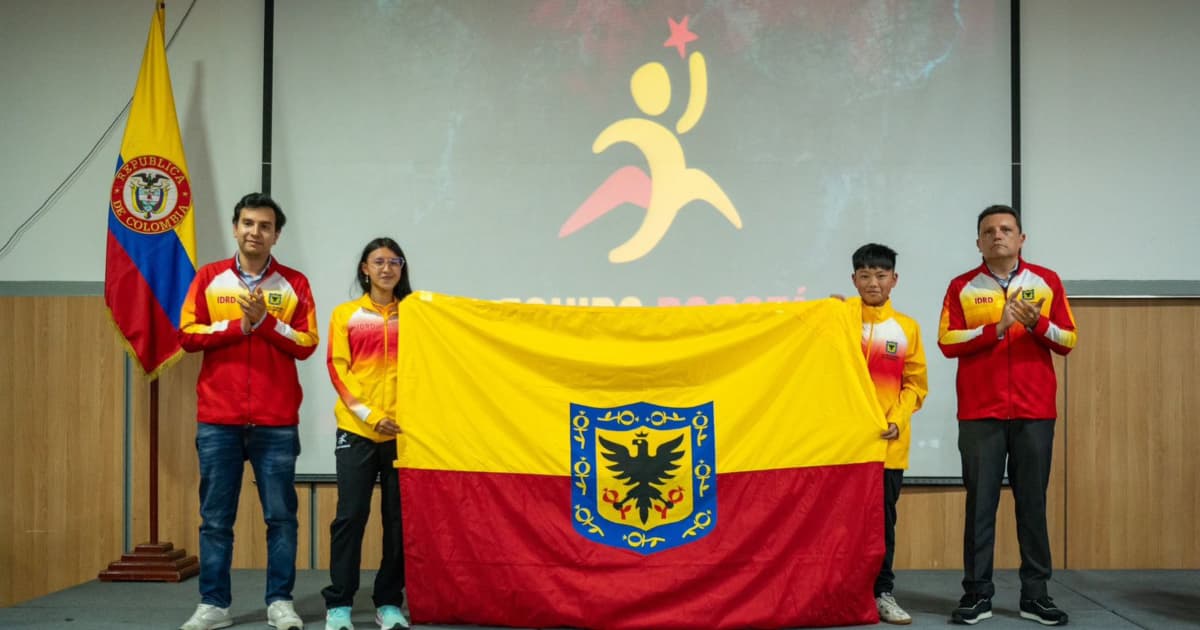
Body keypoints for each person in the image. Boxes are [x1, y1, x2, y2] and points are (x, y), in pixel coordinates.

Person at [178, 193, 319, 630]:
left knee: (281, 518)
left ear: (276, 235)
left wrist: (268, 323)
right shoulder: (208, 278)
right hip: (218, 421)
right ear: (235, 228)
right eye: (247, 223)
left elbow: (307, 343)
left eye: (264, 226)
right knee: (216, 519)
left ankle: (280, 601)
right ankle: (214, 605)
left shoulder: (294, 284)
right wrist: (237, 326)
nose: (255, 232)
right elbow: (187, 333)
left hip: (275, 424)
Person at [939, 205, 1076, 626]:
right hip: (981, 413)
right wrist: (994, 329)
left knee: (1032, 504)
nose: (997, 236)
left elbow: (1068, 338)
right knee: (980, 505)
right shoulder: (962, 286)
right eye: (988, 231)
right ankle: (977, 595)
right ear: (978, 242)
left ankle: (1035, 596)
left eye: (1006, 229)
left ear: (1021, 238)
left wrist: (1037, 324)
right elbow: (947, 340)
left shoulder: (1046, 281)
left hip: (1035, 412)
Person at [322, 238, 412, 630]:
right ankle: (339, 603)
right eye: (379, 262)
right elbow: (337, 369)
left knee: (397, 521)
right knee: (351, 516)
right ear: (364, 268)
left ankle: (389, 602)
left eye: (395, 262)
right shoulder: (346, 314)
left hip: (404, 433)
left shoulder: (415, 315)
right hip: (357, 430)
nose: (387, 268)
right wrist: (371, 416)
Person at [846, 243, 928, 625]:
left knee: (882, 525)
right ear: (853, 280)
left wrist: (897, 418)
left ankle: (882, 593)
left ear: (894, 279)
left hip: (886, 445)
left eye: (880, 275)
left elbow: (915, 385)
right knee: (842, 523)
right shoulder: (839, 321)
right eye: (864, 275)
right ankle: (844, 593)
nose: (872, 282)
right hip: (842, 447)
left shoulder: (906, 327)